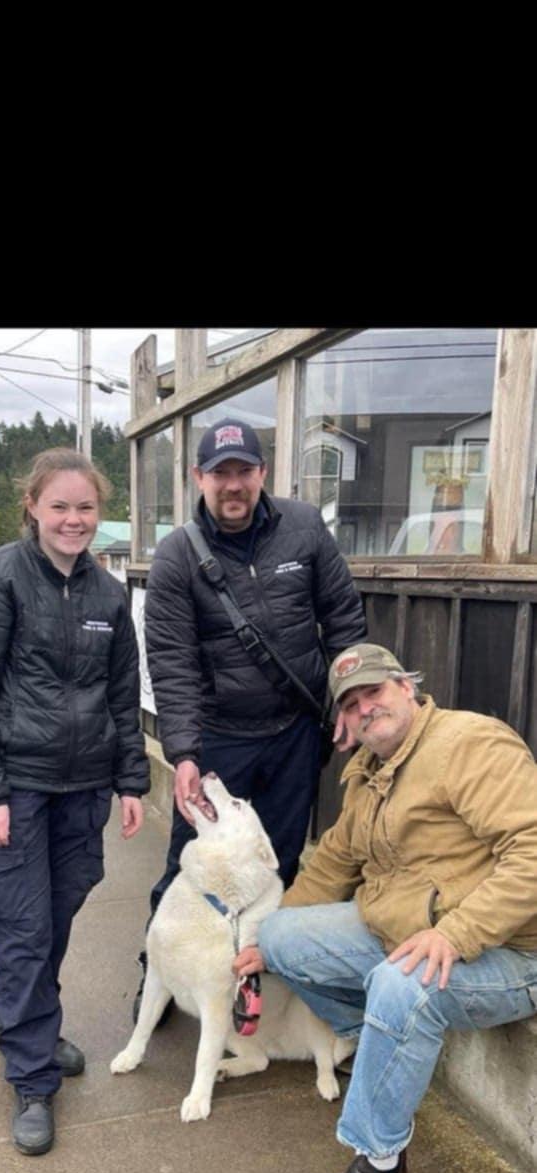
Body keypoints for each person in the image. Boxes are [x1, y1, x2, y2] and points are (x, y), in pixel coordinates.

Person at [233, 641, 537, 1173]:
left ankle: (380, 1162)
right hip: (409, 930)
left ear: (407, 686)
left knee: (405, 986)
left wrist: (455, 933)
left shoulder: (467, 744)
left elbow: (533, 849)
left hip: (510, 950)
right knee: (281, 935)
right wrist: (267, 941)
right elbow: (334, 864)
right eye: (351, 702)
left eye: (375, 691)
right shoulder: (369, 775)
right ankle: (374, 1041)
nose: (366, 708)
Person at [0, 448, 149, 1156]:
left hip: (81, 792)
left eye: (85, 507)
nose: (73, 519)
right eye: (58, 506)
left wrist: (129, 782)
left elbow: (122, 695)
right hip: (16, 794)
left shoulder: (107, 594)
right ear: (30, 505)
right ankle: (31, 1078)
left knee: (54, 921)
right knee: (22, 935)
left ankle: (34, 1023)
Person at [135, 415, 366, 1018]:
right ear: (199, 477)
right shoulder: (176, 555)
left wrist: (347, 699)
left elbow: (343, 621)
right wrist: (183, 754)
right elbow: (172, 662)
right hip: (219, 741)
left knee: (277, 865)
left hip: (294, 733)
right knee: (190, 869)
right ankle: (155, 975)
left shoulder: (305, 527)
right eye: (220, 473)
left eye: (243, 471)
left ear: (262, 473)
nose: (232, 485)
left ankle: (249, 979)